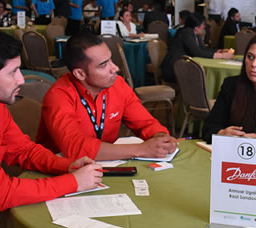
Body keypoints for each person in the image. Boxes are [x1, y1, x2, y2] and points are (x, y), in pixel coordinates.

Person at [0, 28, 102, 228]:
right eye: (13, 72)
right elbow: (0, 194)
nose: (22, 80)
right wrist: (74, 182)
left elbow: (23, 150)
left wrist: (68, 165)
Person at [37, 33, 177, 161]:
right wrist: (141, 149)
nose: (115, 68)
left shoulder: (118, 85)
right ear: (80, 74)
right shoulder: (58, 96)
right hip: (61, 171)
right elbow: (75, 147)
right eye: (103, 65)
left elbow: (146, 123)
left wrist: (159, 137)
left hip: (104, 166)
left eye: (111, 60)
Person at [161, 13, 234, 82]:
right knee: (202, 77)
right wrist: (222, 56)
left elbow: (202, 48)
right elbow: (197, 53)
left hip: (184, 65)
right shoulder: (186, 33)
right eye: (203, 24)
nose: (204, 26)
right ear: (196, 27)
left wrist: (218, 51)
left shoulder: (195, 34)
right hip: (174, 68)